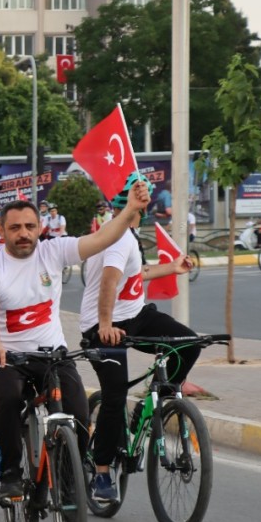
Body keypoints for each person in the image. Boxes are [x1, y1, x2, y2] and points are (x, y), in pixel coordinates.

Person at [0, 181, 150, 504]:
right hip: (8, 357)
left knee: (79, 412)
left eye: (30, 226)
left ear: (40, 227)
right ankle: (10, 473)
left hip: (52, 355)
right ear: (2, 230)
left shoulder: (52, 251)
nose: (23, 233)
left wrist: (129, 211)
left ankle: (69, 476)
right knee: (7, 401)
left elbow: (100, 239)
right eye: (15, 228)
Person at [80, 175, 196, 500]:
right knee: (114, 395)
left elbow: (137, 273)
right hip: (102, 326)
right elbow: (108, 280)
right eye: (142, 198)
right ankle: (102, 472)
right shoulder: (118, 239)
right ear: (134, 205)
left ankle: (161, 395)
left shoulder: (127, 234)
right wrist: (104, 324)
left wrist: (172, 267)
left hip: (135, 316)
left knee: (188, 343)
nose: (146, 205)